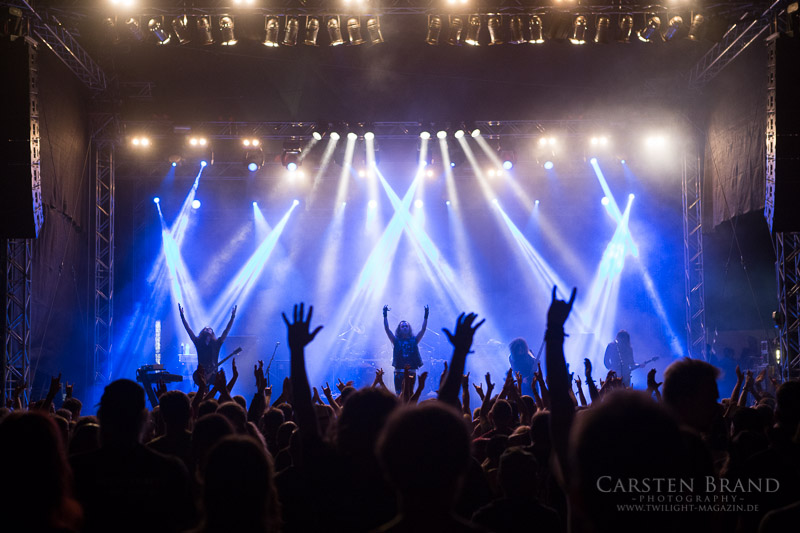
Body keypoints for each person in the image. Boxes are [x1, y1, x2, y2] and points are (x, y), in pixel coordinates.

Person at [179, 303, 237, 380]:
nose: (207, 329)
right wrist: (182, 317)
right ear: (202, 332)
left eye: (209, 329)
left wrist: (232, 317)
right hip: (201, 373)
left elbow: (226, 330)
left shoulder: (217, 343)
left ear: (212, 333)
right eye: (205, 329)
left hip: (213, 374)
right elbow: (188, 330)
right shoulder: (198, 342)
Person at [383, 304, 428, 395]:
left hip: (411, 371)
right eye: (402, 326)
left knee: (409, 393)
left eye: (406, 326)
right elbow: (387, 329)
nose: (404, 328)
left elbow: (423, 329)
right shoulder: (396, 340)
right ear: (399, 329)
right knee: (399, 393)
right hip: (399, 371)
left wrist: (426, 316)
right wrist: (385, 316)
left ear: (409, 328)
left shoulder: (414, 340)